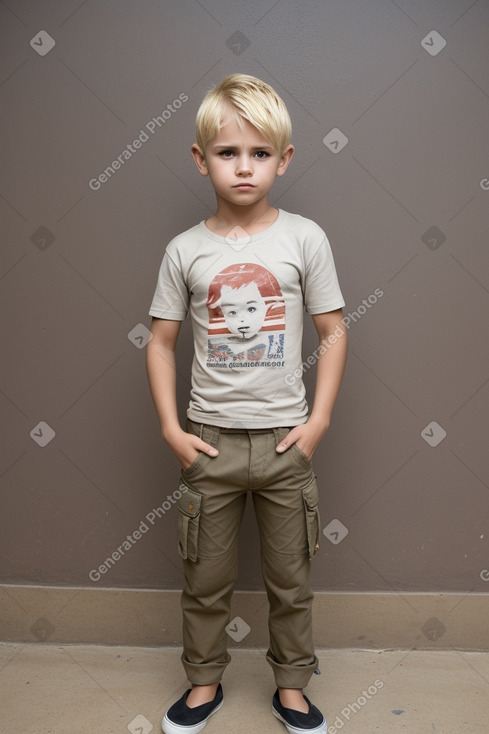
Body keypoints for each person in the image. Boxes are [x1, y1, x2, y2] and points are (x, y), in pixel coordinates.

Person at [146, 73, 347, 734]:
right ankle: (203, 684)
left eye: (259, 153)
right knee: (205, 580)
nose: (243, 166)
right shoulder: (184, 250)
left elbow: (334, 331)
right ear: (200, 159)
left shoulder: (304, 240)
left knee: (291, 582)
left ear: (283, 159)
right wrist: (173, 431)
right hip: (211, 443)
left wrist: (315, 423)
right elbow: (161, 340)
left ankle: (291, 687)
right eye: (227, 153)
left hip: (286, 443)